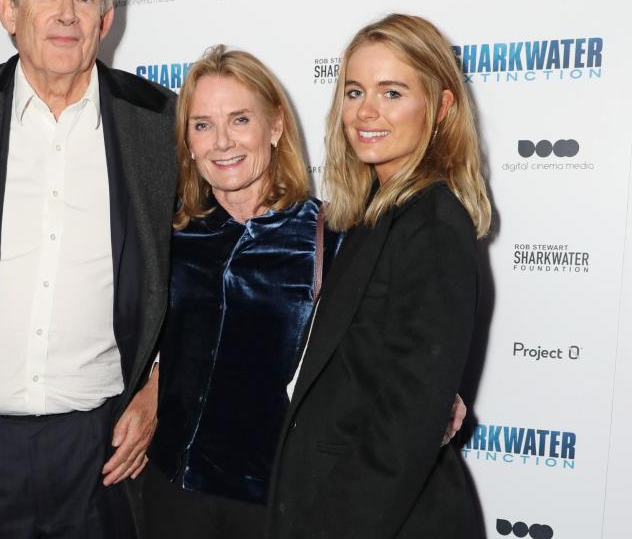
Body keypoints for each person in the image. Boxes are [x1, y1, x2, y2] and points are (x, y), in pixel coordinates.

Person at [141, 46, 466, 539]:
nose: (222, 142)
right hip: (171, 493)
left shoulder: (336, 234)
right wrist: (151, 385)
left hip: (275, 502)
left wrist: (440, 393)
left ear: (275, 126)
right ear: (186, 141)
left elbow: (387, 350)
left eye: (240, 119)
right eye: (202, 125)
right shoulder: (171, 235)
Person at [0, 0, 176, 539]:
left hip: (100, 448)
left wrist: (160, 384)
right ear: (8, 10)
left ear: (106, 20)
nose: (65, 15)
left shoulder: (158, 123)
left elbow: (203, 265)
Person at [267, 13, 491, 538]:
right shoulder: (376, 213)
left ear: (440, 106)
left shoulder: (433, 224)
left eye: (392, 93)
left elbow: (405, 427)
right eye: (354, 91)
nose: (365, 112)